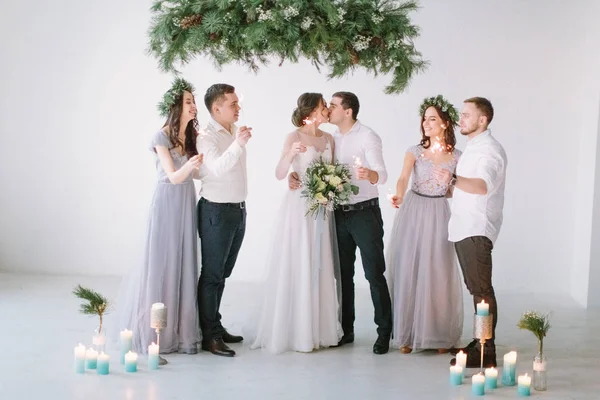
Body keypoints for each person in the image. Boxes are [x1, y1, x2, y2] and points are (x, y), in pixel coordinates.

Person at [289, 92, 393, 354]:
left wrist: (370, 174)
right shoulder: (330, 138)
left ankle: (384, 332)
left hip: (365, 214)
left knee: (373, 273)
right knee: (342, 274)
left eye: (333, 106)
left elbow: (382, 174)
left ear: (348, 112)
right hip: (337, 213)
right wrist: (294, 173)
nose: (329, 110)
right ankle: (347, 329)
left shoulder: (368, 136)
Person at [119, 78, 203, 362]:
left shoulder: (190, 136)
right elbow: (173, 176)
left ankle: (180, 333)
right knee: (161, 264)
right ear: (176, 105)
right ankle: (154, 335)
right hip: (167, 202)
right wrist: (191, 165)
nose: (193, 106)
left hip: (185, 204)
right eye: (188, 101)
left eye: (193, 101)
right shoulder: (161, 137)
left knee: (184, 263)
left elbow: (193, 176)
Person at [251, 93, 343, 353]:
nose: (327, 110)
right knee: (300, 260)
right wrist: (290, 156)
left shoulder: (329, 139)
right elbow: (280, 173)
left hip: (322, 207)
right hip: (299, 207)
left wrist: (330, 191)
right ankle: (299, 331)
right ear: (312, 110)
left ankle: (321, 330)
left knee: (320, 263)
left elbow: (333, 171)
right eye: (324, 106)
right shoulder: (294, 137)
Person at [432, 96, 507, 368]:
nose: (460, 119)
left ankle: (487, 349)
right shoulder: (473, 147)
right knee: (476, 289)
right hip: (464, 226)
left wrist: (452, 179)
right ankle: (480, 342)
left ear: (482, 120)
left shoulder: (490, 150)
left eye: (466, 115)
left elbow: (483, 185)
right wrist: (448, 186)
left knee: (482, 290)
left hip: (476, 228)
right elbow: (465, 188)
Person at [386, 95, 463, 354]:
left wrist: (450, 181)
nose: (426, 123)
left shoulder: (457, 156)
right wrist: (398, 194)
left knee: (438, 270)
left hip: (439, 211)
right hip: (415, 209)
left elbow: (456, 192)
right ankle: (407, 334)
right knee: (410, 266)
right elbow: (403, 177)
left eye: (432, 119)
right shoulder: (415, 151)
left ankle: (438, 335)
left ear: (445, 123)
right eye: (425, 118)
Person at [196, 83, 252, 357]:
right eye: (233, 104)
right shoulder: (206, 136)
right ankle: (210, 336)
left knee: (224, 274)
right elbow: (217, 168)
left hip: (237, 210)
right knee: (212, 275)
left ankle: (215, 325)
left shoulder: (231, 130)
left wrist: (237, 141)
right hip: (216, 212)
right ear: (216, 108)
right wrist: (239, 145)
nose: (238, 107)